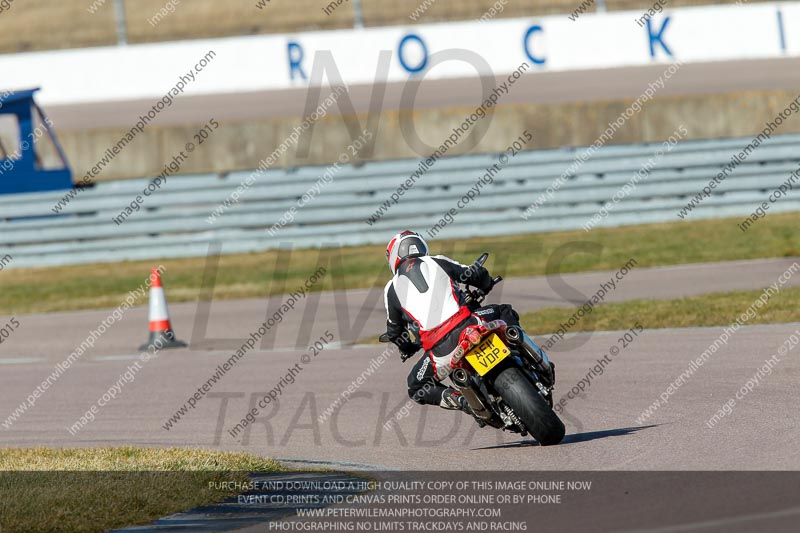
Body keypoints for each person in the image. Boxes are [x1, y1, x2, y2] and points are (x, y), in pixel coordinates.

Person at [382, 231, 520, 413]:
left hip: (441, 352)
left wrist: (407, 347)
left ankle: (464, 401)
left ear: (393, 257)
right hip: (469, 324)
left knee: (416, 387)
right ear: (422, 245)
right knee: (504, 311)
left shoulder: (391, 288)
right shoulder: (436, 261)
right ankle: (516, 351)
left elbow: (394, 332)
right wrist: (486, 283)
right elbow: (473, 274)